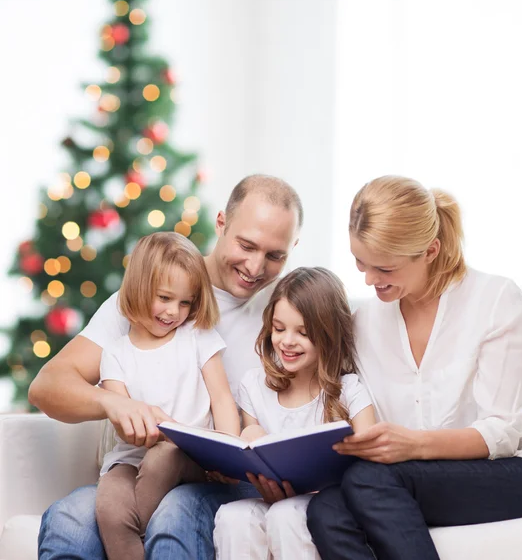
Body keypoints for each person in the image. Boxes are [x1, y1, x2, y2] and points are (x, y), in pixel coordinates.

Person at [306, 176, 522, 560]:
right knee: (326, 510)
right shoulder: (365, 323)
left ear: (430, 250)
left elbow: (502, 433)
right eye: (360, 263)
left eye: (385, 268)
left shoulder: (495, 300)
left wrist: (412, 444)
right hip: (414, 478)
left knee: (371, 481)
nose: (370, 280)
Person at [30, 174, 303, 560]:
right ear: (222, 222)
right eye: (246, 245)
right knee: (69, 518)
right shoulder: (147, 297)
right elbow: (47, 387)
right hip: (139, 470)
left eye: (276, 255)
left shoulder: (289, 312)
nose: (255, 267)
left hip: (223, 480)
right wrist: (115, 404)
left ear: (293, 249)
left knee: (174, 513)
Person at [213, 267, 376, 560]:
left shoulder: (349, 390)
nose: (287, 341)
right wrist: (249, 435)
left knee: (287, 515)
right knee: (233, 516)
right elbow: (254, 457)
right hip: (272, 498)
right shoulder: (254, 385)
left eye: (303, 333)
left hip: (328, 504)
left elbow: (371, 465)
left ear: (329, 335)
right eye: (278, 328)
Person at [95, 232, 240, 559]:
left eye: (185, 302)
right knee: (109, 508)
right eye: (164, 297)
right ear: (138, 288)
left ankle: (146, 533)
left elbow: (222, 399)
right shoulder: (116, 353)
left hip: (191, 457)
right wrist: (148, 422)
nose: (174, 311)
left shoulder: (197, 335)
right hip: (131, 457)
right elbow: (122, 421)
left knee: (164, 456)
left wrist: (228, 452)